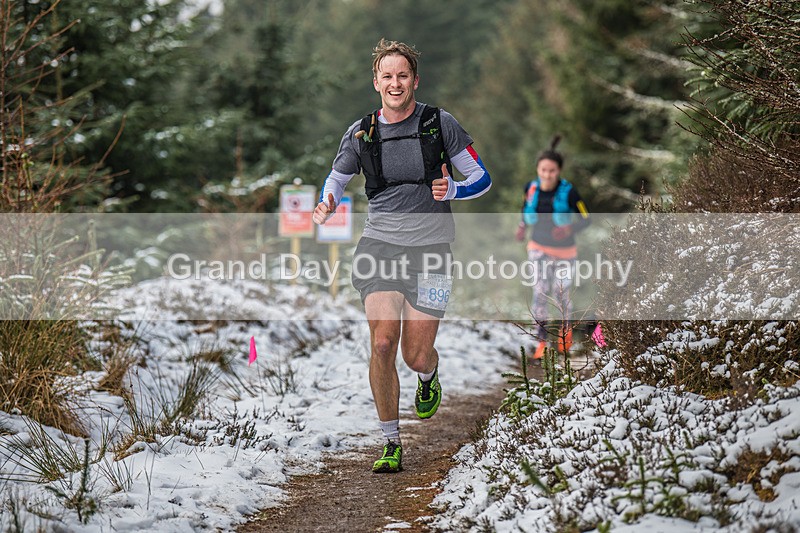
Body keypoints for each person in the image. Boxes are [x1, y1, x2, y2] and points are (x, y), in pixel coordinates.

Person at [313, 39, 491, 473]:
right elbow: (336, 177)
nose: (395, 83)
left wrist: (454, 189)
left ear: (415, 80)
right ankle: (390, 442)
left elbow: (481, 178)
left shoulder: (439, 123)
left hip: (432, 253)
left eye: (403, 75)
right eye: (387, 76)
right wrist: (328, 201)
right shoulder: (361, 131)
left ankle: (429, 374)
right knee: (382, 341)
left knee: (415, 355)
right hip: (380, 247)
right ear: (376, 82)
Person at [515, 136, 590, 362]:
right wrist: (521, 226)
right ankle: (541, 342)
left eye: (552, 171)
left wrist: (570, 229)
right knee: (539, 292)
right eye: (543, 170)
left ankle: (565, 340)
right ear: (538, 170)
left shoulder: (569, 192)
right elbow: (524, 209)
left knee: (562, 295)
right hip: (538, 247)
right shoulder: (530, 188)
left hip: (565, 253)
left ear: (559, 171)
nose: (547, 175)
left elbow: (586, 218)